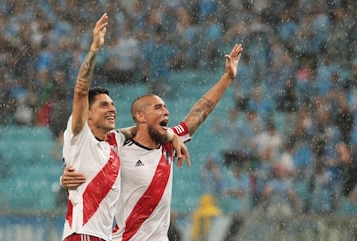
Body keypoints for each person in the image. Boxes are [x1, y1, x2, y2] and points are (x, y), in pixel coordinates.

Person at [62, 40, 244, 240]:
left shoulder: (167, 145)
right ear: (140, 116)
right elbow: (85, 159)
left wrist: (227, 77)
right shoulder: (116, 146)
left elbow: (199, 113)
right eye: (158, 108)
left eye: (165, 107)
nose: (166, 112)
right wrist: (65, 176)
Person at [60, 13, 188, 241]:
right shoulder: (79, 136)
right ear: (87, 114)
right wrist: (94, 49)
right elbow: (80, 90)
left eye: (112, 104)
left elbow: (136, 130)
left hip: (103, 237)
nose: (111, 109)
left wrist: (170, 134)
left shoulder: (114, 141)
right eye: (103, 105)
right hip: (83, 235)